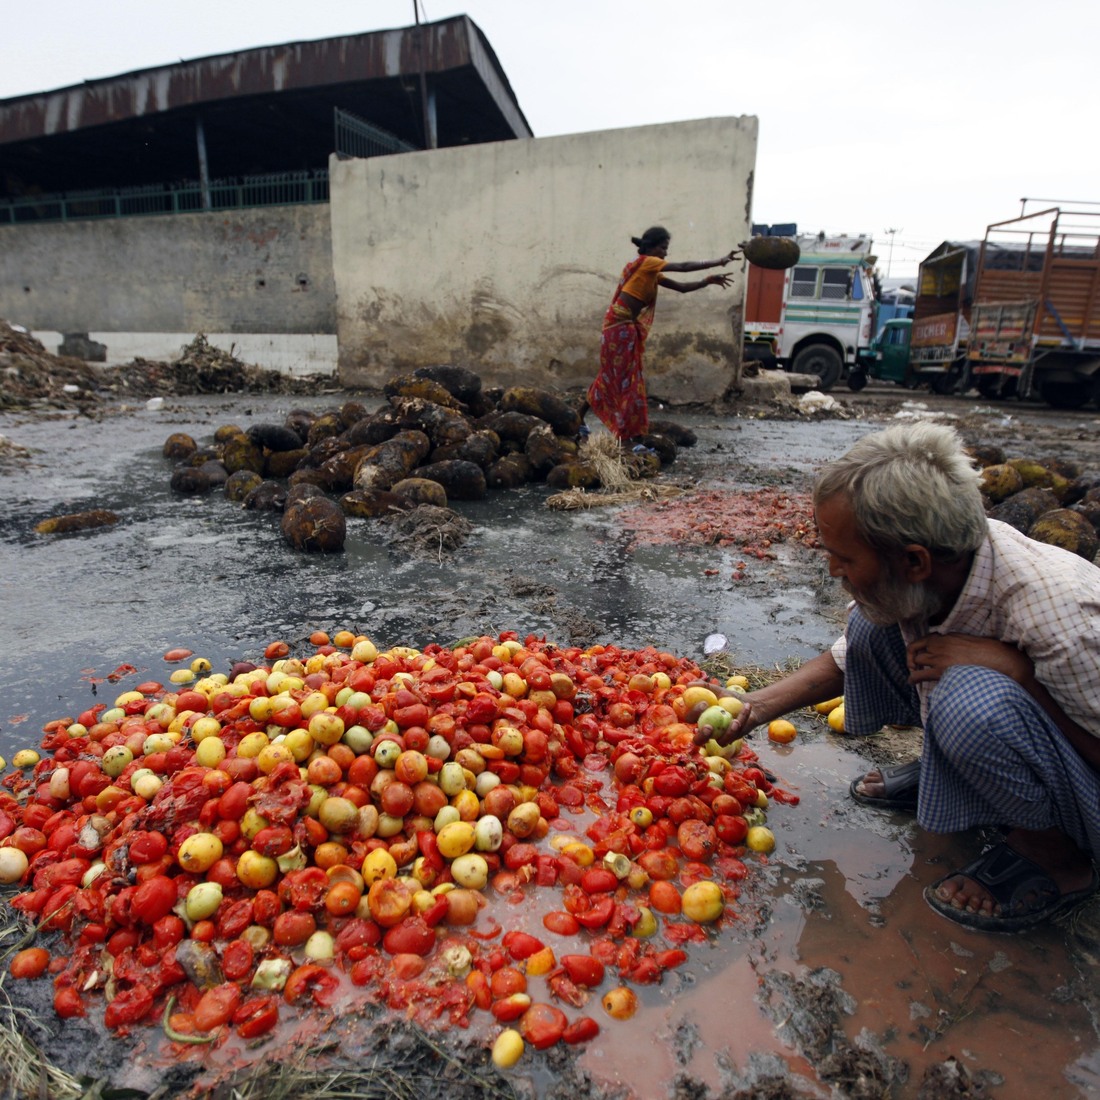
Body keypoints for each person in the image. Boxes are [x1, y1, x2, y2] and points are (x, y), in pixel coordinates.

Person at [698, 421, 1100, 932]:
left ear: (914, 561)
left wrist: (1020, 674)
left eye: (843, 558)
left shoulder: (1063, 618)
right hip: (1023, 719)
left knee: (969, 700)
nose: (832, 571)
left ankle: (1057, 859)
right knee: (872, 623)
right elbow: (849, 655)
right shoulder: (945, 565)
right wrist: (754, 705)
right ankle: (947, 774)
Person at [584, 227, 736, 446]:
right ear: (652, 247)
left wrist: (707, 281)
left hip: (621, 326)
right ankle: (626, 438)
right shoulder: (647, 262)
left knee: (613, 376)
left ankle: (584, 420)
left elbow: (682, 288)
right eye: (663, 248)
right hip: (619, 327)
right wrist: (719, 261)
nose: (665, 253)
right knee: (626, 381)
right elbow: (683, 268)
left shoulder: (649, 271)